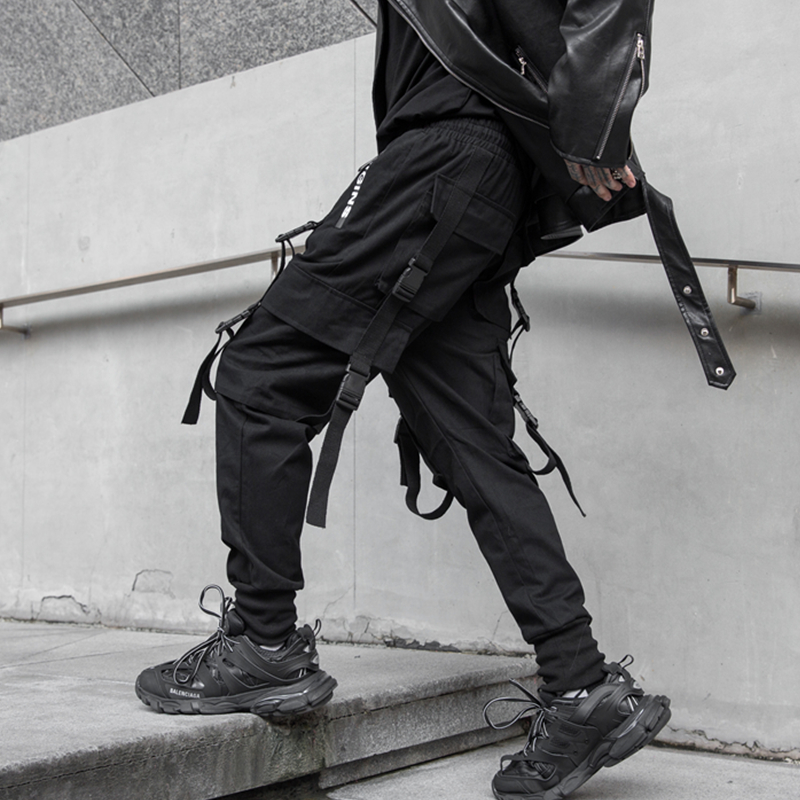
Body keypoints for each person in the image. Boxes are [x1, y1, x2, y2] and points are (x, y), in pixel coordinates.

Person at [135, 2, 732, 798]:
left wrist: (595, 124)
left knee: (261, 372)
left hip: (446, 153)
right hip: (484, 177)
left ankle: (263, 644)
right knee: (470, 444)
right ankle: (581, 686)